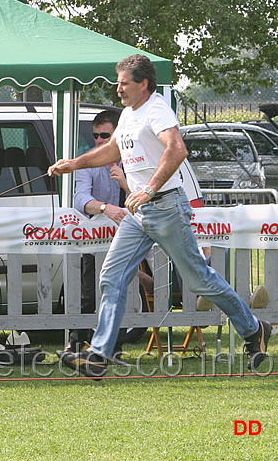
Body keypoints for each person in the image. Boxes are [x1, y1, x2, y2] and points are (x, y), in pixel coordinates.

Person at [48, 54, 271, 377]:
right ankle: (98, 355)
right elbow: (113, 151)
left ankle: (253, 330)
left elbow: (177, 149)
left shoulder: (156, 110)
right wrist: (74, 163)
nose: (118, 88)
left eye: (124, 83)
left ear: (144, 84)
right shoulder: (127, 114)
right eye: (118, 82)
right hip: (138, 213)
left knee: (199, 280)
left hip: (165, 206)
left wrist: (149, 188)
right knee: (111, 277)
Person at [62, 110, 131, 357]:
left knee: (121, 291)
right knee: (88, 291)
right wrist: (104, 207)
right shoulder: (88, 162)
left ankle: (115, 346)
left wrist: (124, 182)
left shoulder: (135, 160)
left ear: (118, 135)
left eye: (105, 135)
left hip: (130, 240)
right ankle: (77, 341)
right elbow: (80, 198)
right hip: (95, 239)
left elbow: (146, 196)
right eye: (96, 136)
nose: (100, 141)